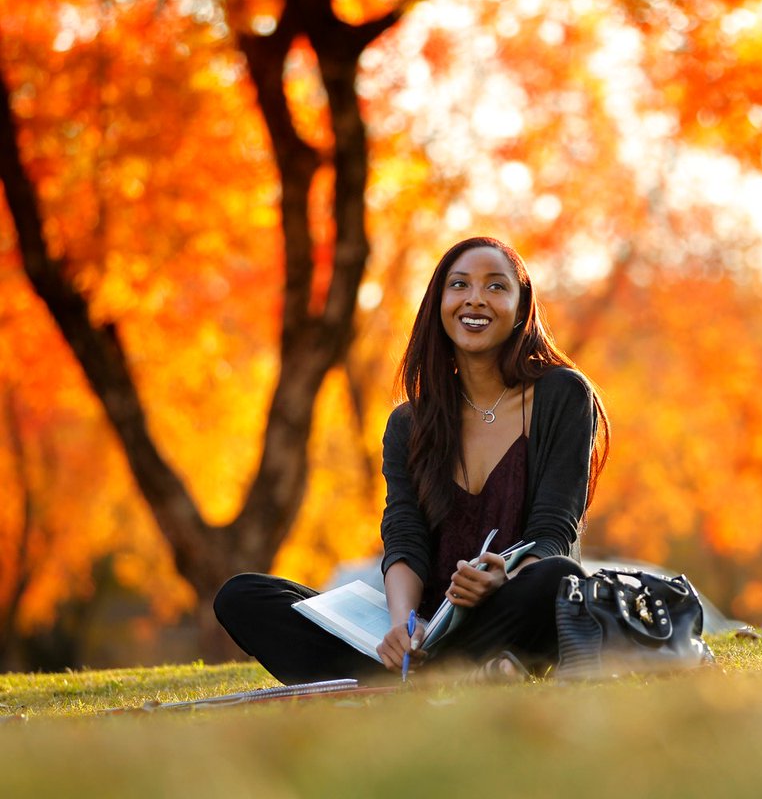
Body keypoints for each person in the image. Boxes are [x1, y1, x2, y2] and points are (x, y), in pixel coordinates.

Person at [213, 237, 609, 685]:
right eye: (459, 285)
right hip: (426, 628)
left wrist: (505, 578)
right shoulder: (409, 423)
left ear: (521, 309)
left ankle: (421, 679)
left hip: (510, 606)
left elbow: (554, 530)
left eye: (496, 287)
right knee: (242, 595)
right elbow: (404, 535)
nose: (475, 298)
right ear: (439, 305)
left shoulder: (563, 395)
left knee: (559, 579)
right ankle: (439, 672)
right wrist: (403, 624)